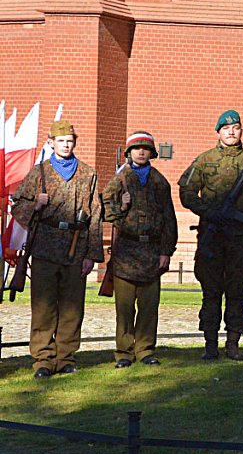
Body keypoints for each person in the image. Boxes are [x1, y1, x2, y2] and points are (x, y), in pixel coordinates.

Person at [10, 120, 104, 379]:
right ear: (51, 142)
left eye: (70, 141)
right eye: (61, 141)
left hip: (76, 246)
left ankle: (66, 356)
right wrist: (35, 206)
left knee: (72, 306)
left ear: (75, 143)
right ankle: (43, 358)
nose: (65, 145)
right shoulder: (39, 173)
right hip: (44, 247)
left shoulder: (87, 174)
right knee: (43, 306)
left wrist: (92, 255)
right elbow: (17, 205)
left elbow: (96, 214)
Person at [178, 110, 243, 361]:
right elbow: (186, 193)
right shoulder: (204, 160)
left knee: (237, 292)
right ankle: (210, 344)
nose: (231, 132)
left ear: (241, 131)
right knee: (210, 292)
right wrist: (210, 213)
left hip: (240, 238)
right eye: (226, 128)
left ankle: (233, 342)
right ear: (218, 131)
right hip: (212, 236)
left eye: (236, 127)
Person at [101, 131, 178, 369]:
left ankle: (145, 349)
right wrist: (121, 206)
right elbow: (105, 210)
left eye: (145, 148)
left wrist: (166, 251)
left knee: (148, 306)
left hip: (152, 251)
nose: (141, 152)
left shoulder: (160, 182)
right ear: (129, 152)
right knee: (124, 307)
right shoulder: (119, 179)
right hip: (126, 250)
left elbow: (169, 220)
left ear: (152, 153)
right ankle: (124, 351)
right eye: (137, 148)